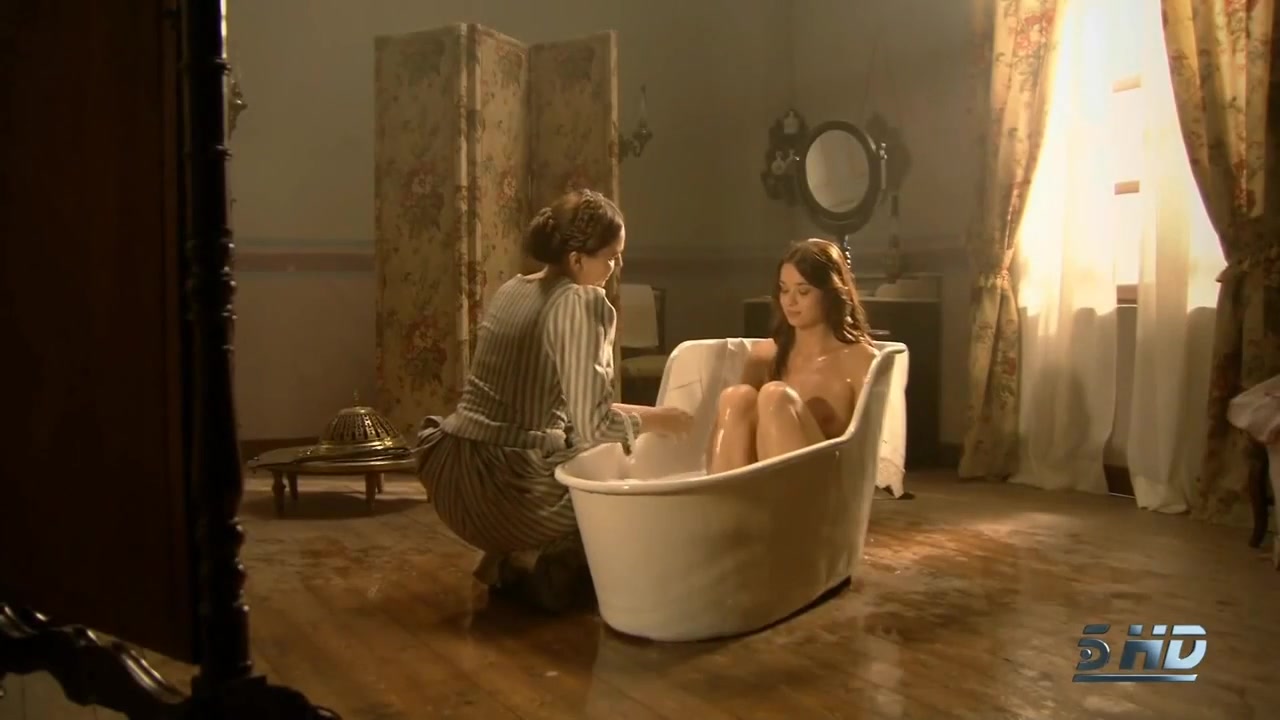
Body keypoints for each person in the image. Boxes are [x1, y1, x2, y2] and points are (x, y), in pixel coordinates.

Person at [416, 188, 694, 612]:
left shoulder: (515, 288)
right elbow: (594, 425)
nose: (616, 268)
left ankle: (511, 560)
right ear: (578, 260)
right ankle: (546, 568)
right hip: (504, 488)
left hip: (454, 472)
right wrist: (662, 423)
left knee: (577, 443)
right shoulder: (578, 305)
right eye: (611, 257)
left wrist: (660, 417)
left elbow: (570, 412)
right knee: (624, 492)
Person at [706, 238, 878, 474]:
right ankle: (721, 497)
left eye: (803, 291)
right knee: (736, 397)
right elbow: (729, 437)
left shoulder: (860, 359)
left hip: (824, 485)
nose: (790, 301)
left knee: (776, 396)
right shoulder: (764, 356)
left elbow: (869, 451)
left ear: (831, 293)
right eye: (784, 289)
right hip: (755, 487)